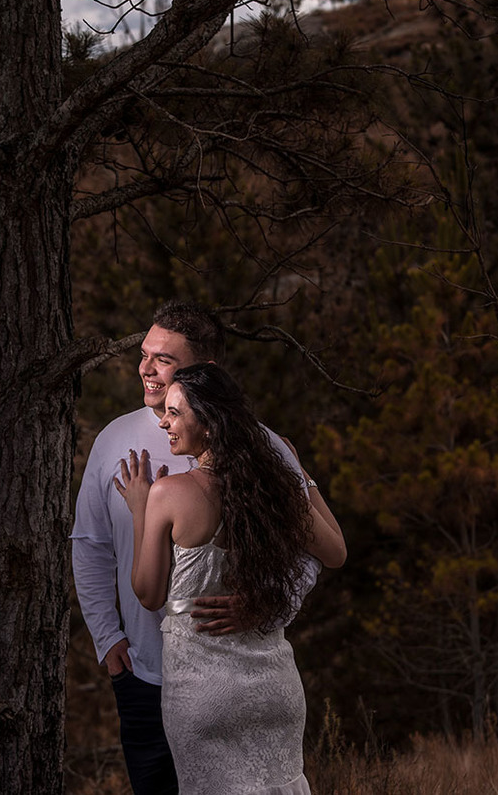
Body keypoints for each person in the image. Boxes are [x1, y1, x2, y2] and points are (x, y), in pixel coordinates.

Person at [70, 301, 315, 794]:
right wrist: (106, 636)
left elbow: (307, 551)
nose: (145, 368)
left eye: (163, 358)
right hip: (145, 674)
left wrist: (269, 605)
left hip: (239, 673)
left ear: (206, 371)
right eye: (144, 354)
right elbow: (90, 544)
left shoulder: (259, 445)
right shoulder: (113, 440)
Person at [114, 363, 346, 794]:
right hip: (275, 691)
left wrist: (139, 508)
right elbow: (336, 552)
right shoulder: (274, 489)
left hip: (203, 696)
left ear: (208, 421)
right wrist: (299, 473)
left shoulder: (169, 494)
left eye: (174, 412)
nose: (163, 421)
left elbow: (147, 594)